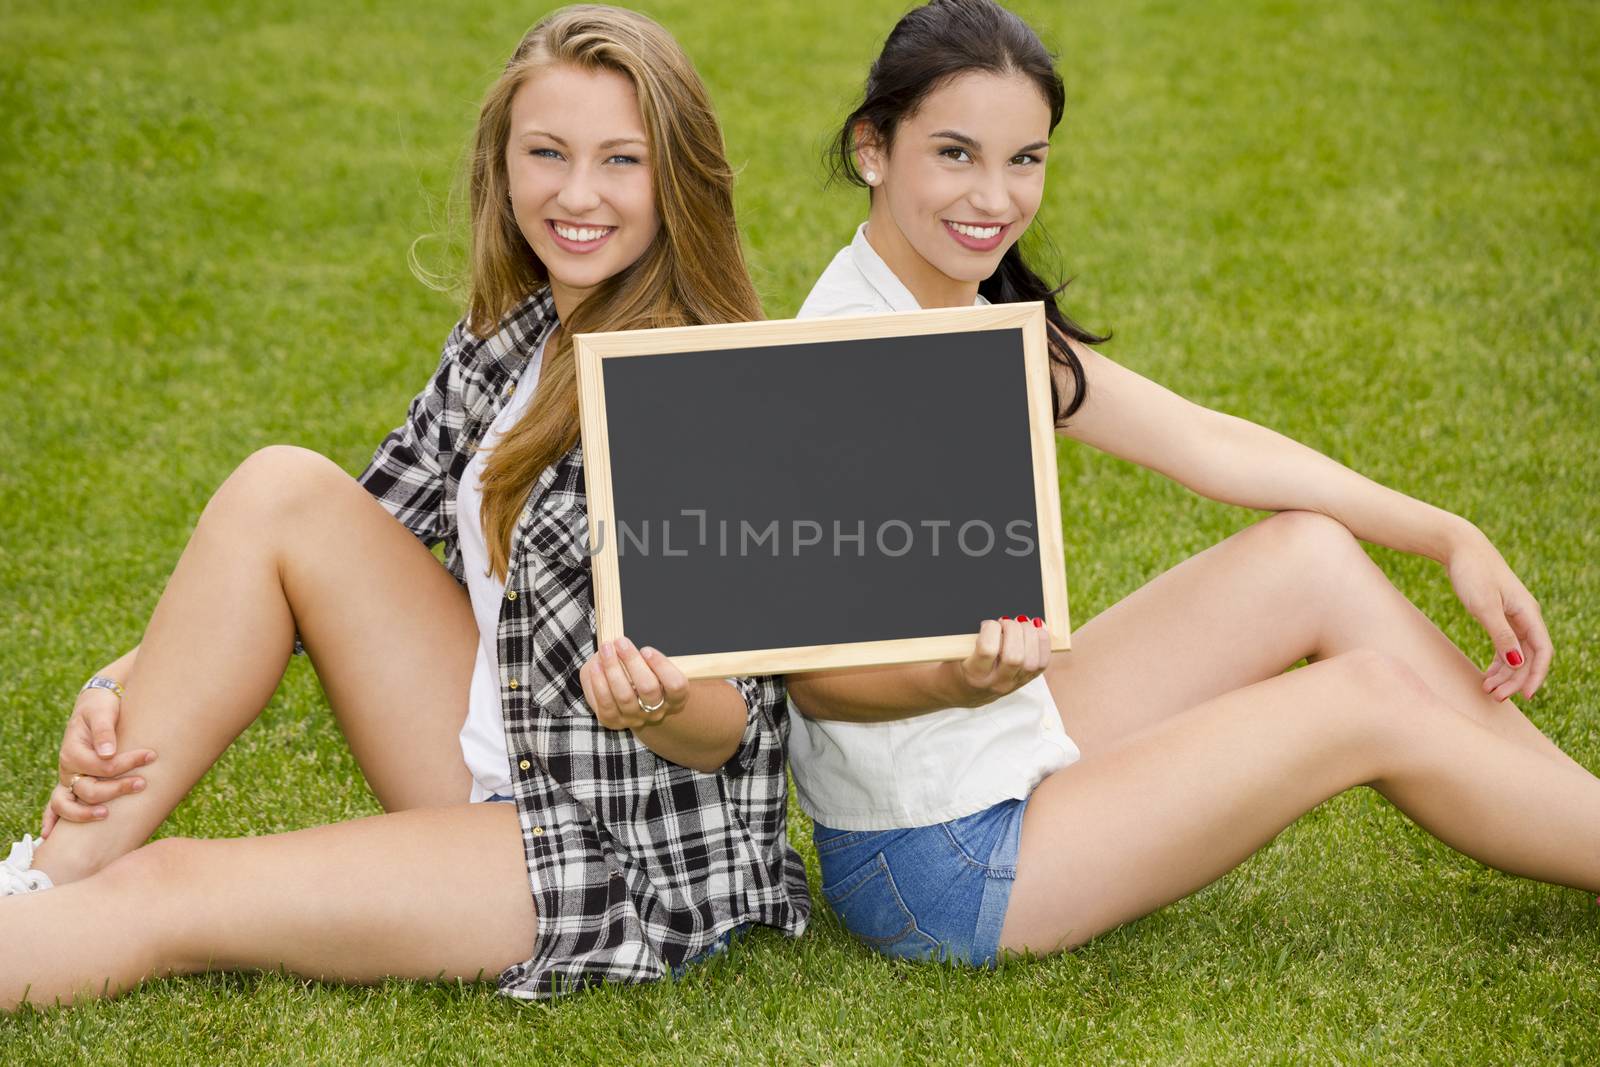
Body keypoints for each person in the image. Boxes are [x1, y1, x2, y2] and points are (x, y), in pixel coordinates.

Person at [0, 4, 808, 1010]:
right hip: (491, 743)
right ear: (501, 165)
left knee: (175, 887)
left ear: (676, 177)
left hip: (614, 847)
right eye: (546, 152)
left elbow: (725, 727)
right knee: (282, 487)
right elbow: (343, 536)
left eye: (620, 161)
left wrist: (657, 699)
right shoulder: (509, 336)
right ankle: (45, 879)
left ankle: (49, 915)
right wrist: (118, 685)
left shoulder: (701, 392)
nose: (576, 194)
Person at [784, 0, 1598, 968]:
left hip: (1005, 735)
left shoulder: (956, 309)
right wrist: (953, 675)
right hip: (938, 859)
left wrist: (1447, 533)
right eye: (955, 154)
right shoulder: (843, 354)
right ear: (872, 148)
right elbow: (815, 680)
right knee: (1366, 699)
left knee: (1310, 555)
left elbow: (1205, 442)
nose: (994, 198)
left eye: (1025, 159)